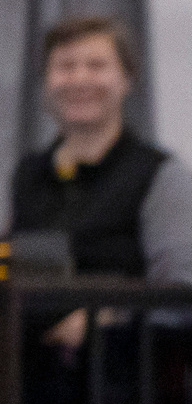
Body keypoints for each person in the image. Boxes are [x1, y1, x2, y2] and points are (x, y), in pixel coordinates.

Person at [12, 17, 192, 350]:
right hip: (30, 379)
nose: (79, 79)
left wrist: (105, 316)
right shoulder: (28, 174)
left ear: (127, 80)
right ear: (46, 83)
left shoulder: (159, 175)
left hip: (126, 380)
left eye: (96, 66)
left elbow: (181, 294)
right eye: (66, 67)